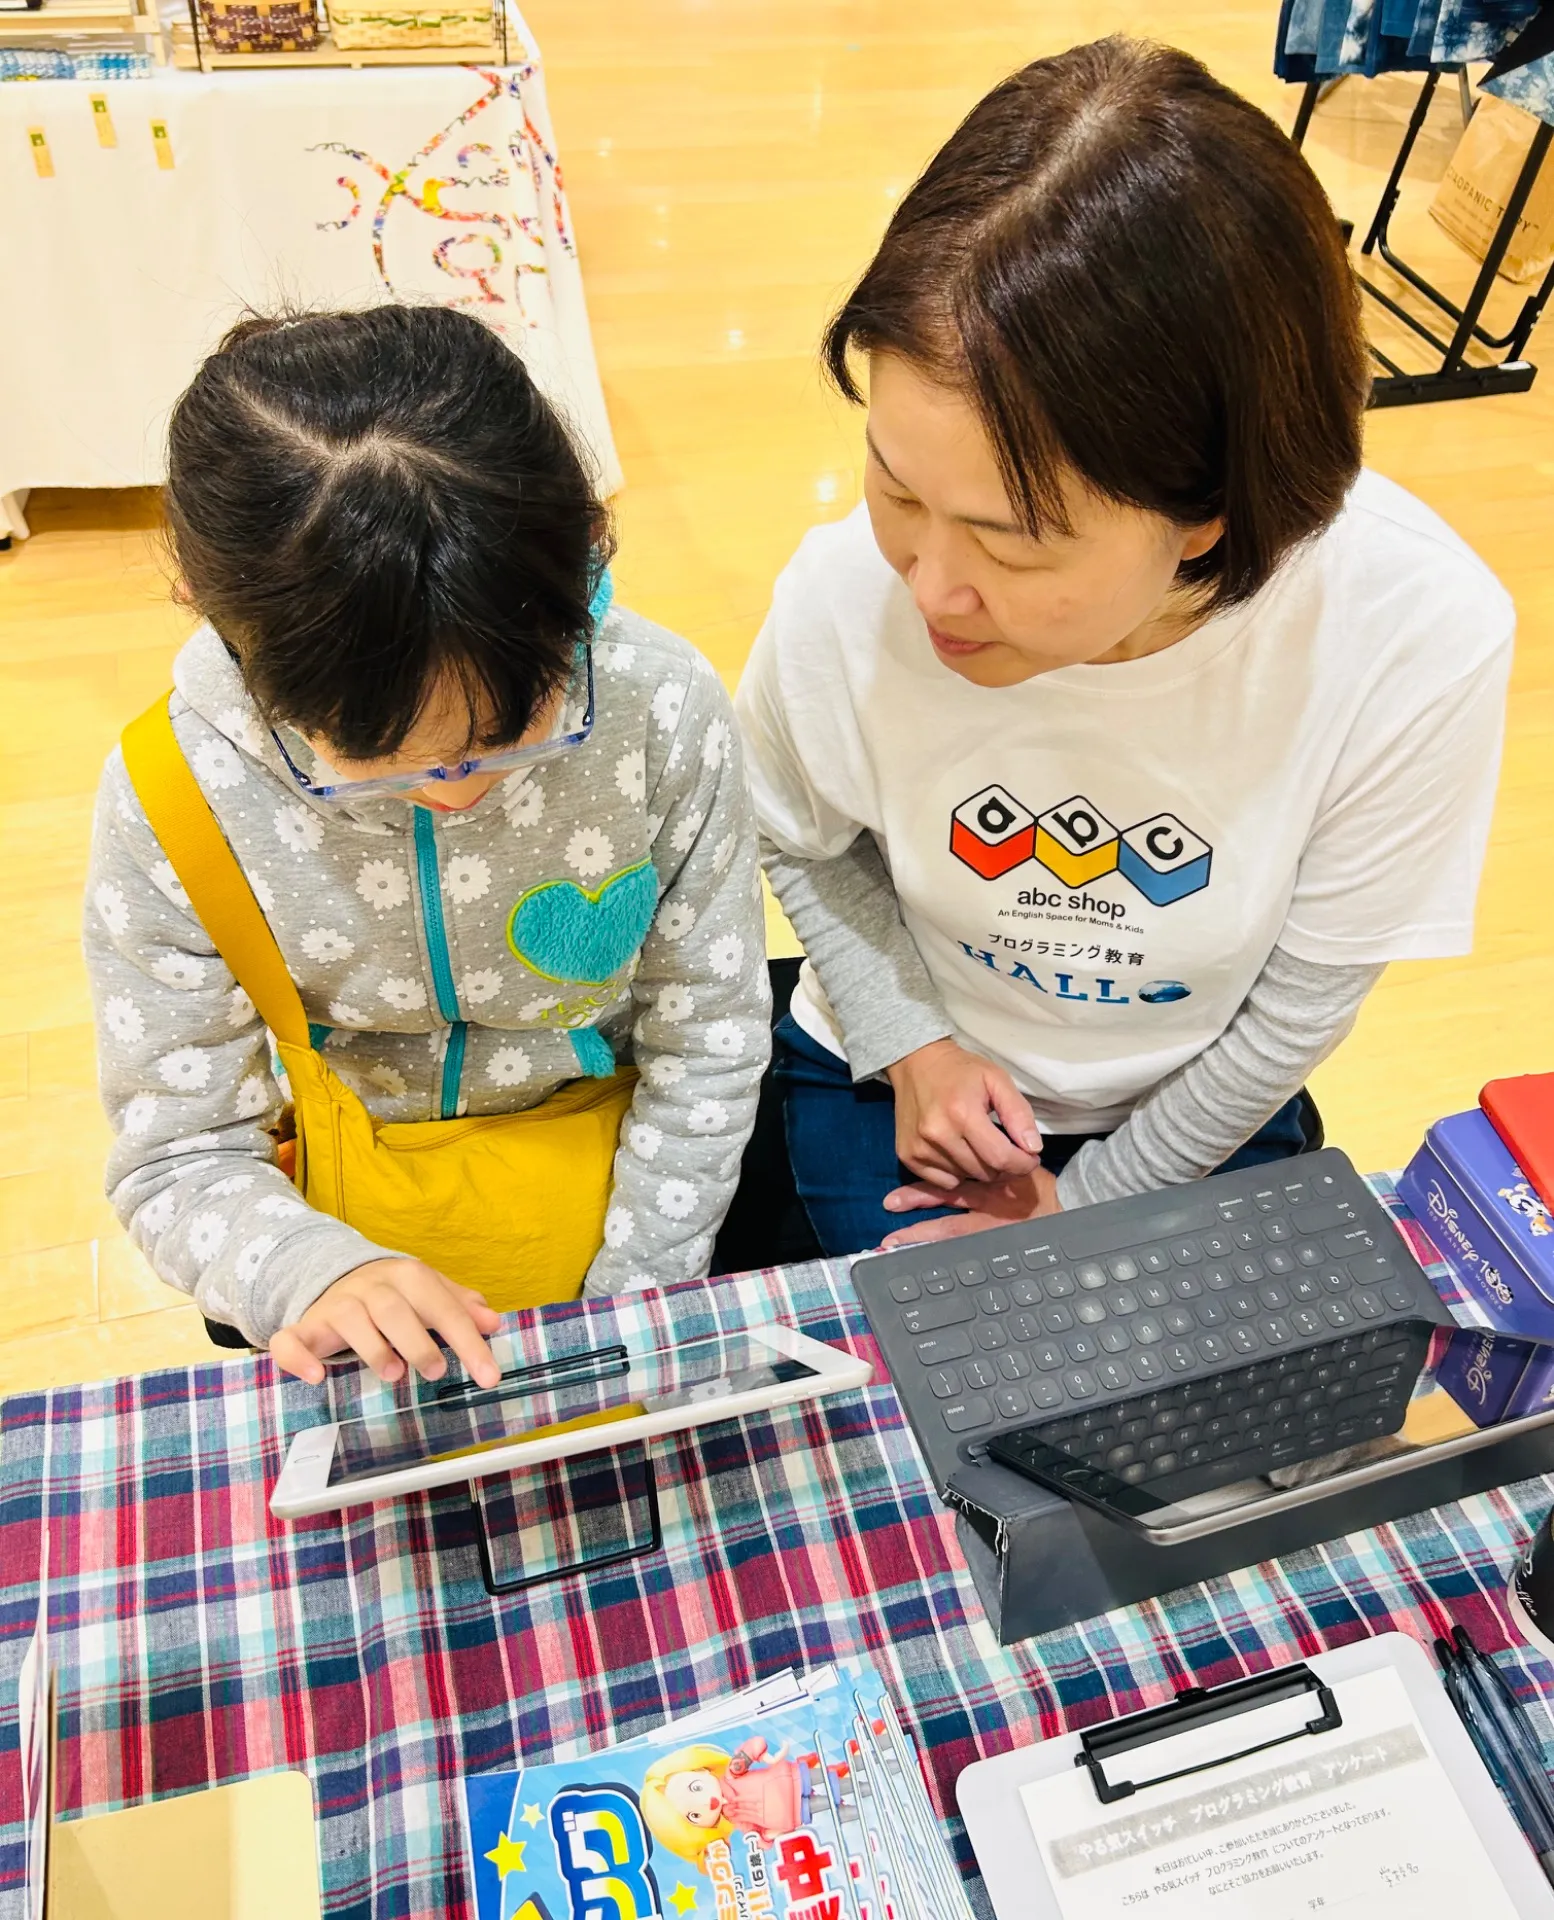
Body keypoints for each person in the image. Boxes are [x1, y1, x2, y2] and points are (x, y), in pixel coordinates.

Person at [734, 37, 1513, 1259]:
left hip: (1190, 1107)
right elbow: (794, 832)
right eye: (892, 487)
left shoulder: (1408, 633)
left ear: (1215, 510)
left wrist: (1089, 1209)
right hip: (892, 1064)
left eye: (1017, 542)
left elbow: (1301, 1002)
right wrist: (917, 1048)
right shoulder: (845, 591)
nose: (932, 585)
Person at [85, 305, 768, 1389]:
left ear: (587, 552)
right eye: (376, 760)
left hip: (624, 1204)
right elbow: (178, 1154)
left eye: (518, 729)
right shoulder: (176, 794)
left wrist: (634, 1294)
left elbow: (709, 1035)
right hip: (334, 1229)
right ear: (208, 614)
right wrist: (304, 1273)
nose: (462, 793)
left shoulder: (662, 709)